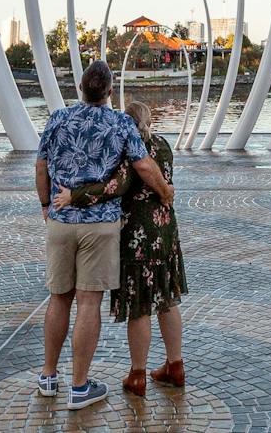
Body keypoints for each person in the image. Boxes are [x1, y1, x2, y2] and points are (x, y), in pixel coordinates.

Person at [35, 60, 172, 411]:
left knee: (58, 297)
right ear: (110, 92)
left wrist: (44, 205)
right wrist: (165, 192)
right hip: (100, 225)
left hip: (61, 220)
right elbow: (143, 165)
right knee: (89, 302)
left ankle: (49, 377)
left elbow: (39, 164)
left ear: (80, 89)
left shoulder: (58, 118)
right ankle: (80, 386)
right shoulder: (120, 122)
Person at [53, 100, 188, 396]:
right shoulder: (163, 145)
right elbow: (164, 184)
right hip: (165, 231)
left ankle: (137, 374)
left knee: (140, 305)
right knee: (167, 298)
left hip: (136, 236)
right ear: (149, 121)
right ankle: (175, 366)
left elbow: (114, 187)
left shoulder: (128, 152)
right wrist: (166, 194)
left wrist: (72, 196)